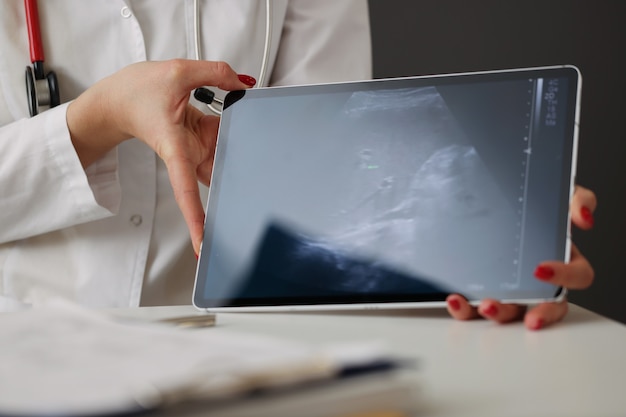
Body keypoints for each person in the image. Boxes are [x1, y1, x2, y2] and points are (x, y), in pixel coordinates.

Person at [0, 1, 595, 330]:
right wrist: (95, 119)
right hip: (23, 342)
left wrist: (483, 231)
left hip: (233, 347)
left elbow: (335, 173)